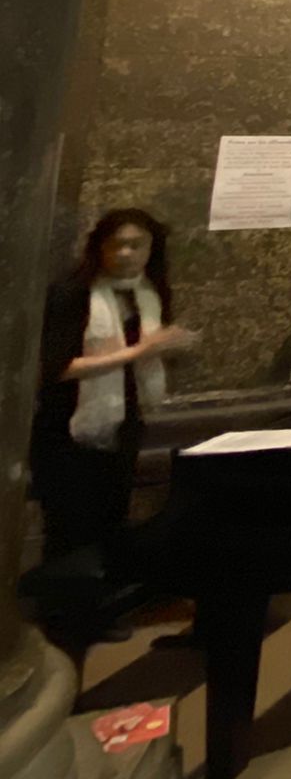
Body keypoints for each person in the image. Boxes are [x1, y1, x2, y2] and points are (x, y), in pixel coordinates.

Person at [33, 210, 196, 568]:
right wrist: (140, 351)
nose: (125, 253)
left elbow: (142, 359)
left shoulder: (149, 294)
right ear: (99, 247)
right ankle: (66, 613)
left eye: (136, 245)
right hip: (69, 428)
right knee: (71, 528)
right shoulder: (73, 295)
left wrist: (169, 351)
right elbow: (55, 369)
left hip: (124, 422)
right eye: (116, 244)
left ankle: (101, 608)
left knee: (111, 519)